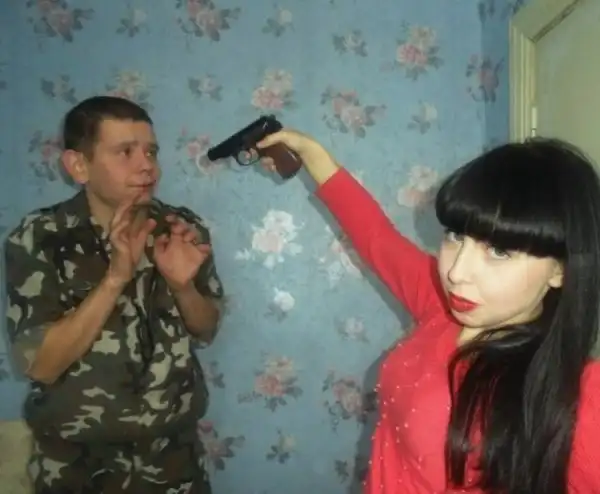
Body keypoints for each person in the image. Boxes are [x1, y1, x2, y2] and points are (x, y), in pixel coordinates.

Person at [256, 130, 600, 493]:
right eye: (456, 236)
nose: (456, 273)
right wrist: (312, 153)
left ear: (561, 269)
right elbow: (377, 237)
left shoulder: (579, 394)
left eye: (499, 252)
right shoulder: (443, 307)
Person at [4, 96, 224, 494]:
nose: (147, 166)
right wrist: (115, 279)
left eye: (151, 151)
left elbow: (206, 328)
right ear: (78, 166)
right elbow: (41, 365)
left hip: (174, 462)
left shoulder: (180, 228)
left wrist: (183, 287)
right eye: (125, 152)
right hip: (77, 468)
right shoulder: (41, 237)